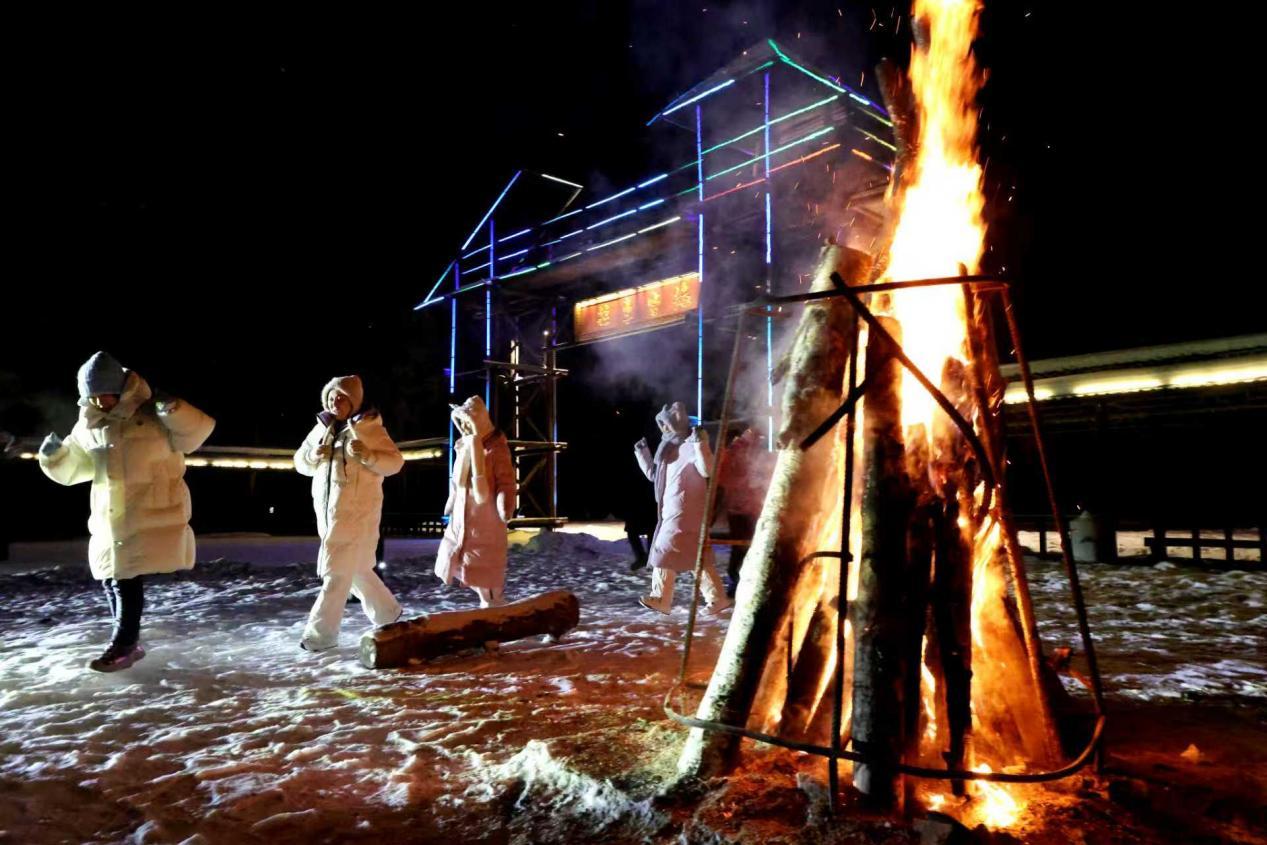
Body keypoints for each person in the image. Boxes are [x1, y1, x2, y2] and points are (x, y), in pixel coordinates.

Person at [37, 351, 215, 671]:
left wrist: (174, 409)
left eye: (104, 394)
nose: (99, 402)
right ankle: (126, 642)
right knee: (112, 576)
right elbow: (76, 468)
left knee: (125, 578)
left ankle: (125, 644)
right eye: (92, 396)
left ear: (120, 389)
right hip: (110, 515)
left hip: (150, 508)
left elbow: (196, 433)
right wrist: (54, 456)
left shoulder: (152, 413)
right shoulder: (90, 423)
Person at [294, 375, 403, 651]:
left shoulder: (369, 428)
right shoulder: (321, 429)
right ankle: (388, 613)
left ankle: (320, 636)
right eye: (331, 397)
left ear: (354, 402)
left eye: (341, 398)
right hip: (328, 517)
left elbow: (394, 463)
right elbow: (300, 463)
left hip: (356, 515)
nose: (335, 402)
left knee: (336, 574)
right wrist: (313, 456)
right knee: (356, 570)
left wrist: (368, 455)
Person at [633, 401, 731, 615]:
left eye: (665, 424)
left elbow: (707, 469)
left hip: (686, 509)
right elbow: (655, 476)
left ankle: (661, 598)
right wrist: (642, 453)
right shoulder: (667, 448)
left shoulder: (690, 444)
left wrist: (701, 443)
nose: (662, 429)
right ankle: (717, 598)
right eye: (661, 425)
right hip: (673, 509)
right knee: (696, 555)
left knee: (664, 549)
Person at [434, 395, 517, 607]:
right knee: (461, 560)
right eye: (460, 423)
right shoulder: (464, 447)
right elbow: (457, 480)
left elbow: (506, 480)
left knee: (484, 565)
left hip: (485, 520)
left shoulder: (496, 449)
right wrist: (452, 498)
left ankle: (494, 604)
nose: (463, 427)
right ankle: (487, 602)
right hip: (462, 519)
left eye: (467, 422)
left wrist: (505, 503)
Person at [716, 427, 775, 597]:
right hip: (739, 508)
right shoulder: (734, 453)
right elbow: (724, 477)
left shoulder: (756, 453)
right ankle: (735, 582)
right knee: (740, 547)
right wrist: (745, 483)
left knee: (751, 546)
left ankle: (746, 582)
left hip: (754, 507)